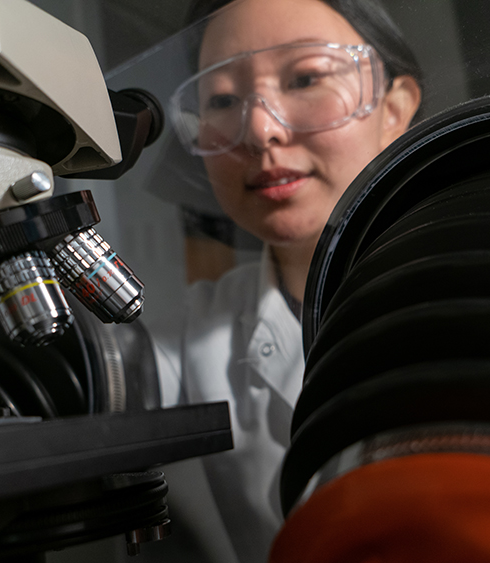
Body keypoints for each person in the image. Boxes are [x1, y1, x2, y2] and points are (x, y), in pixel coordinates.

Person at [154, 0, 422, 560]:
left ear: (394, 110)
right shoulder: (181, 346)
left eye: (305, 78)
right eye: (223, 100)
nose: (259, 130)